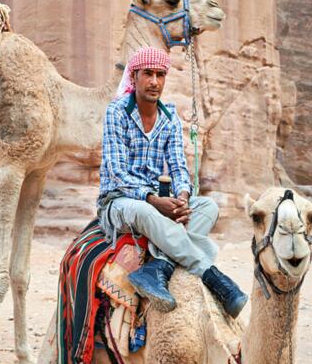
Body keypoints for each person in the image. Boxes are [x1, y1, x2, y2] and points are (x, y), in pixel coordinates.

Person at [96, 46, 247, 317]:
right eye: (148, 74)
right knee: (143, 210)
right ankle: (212, 276)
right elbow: (117, 173)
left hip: (159, 200)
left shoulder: (169, 118)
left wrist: (183, 198)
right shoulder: (116, 112)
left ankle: (159, 267)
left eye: (160, 75)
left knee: (207, 207)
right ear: (134, 77)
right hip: (120, 202)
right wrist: (153, 200)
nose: (155, 81)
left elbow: (178, 166)